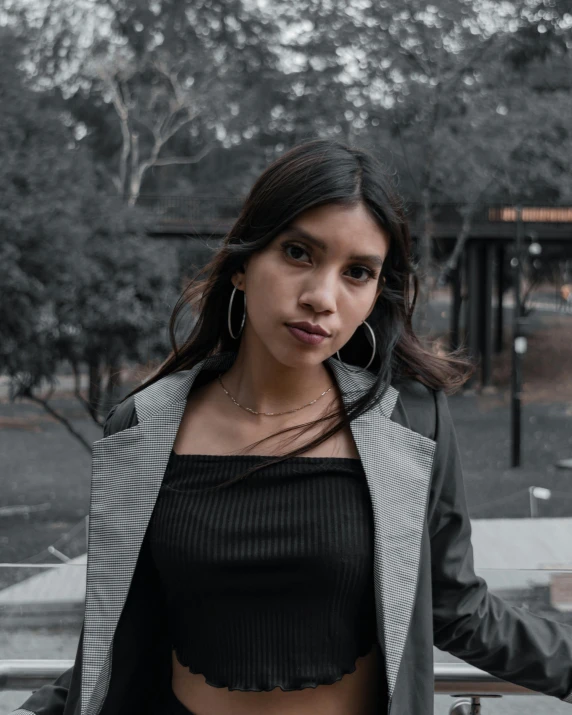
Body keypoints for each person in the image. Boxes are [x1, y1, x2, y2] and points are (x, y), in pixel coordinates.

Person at [11, 139, 572, 715]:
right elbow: (114, 636)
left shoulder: (411, 420)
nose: (322, 298)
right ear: (242, 264)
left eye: (357, 272)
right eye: (299, 253)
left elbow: (458, 610)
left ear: (378, 291)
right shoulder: (142, 425)